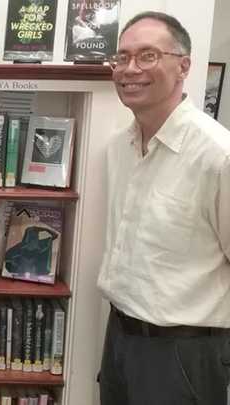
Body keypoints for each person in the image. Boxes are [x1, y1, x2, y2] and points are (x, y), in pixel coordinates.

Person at [97, 11, 230, 405]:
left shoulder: (218, 156)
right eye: (121, 58)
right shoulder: (119, 148)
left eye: (148, 56)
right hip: (120, 336)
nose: (130, 69)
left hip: (184, 351)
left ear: (183, 66)